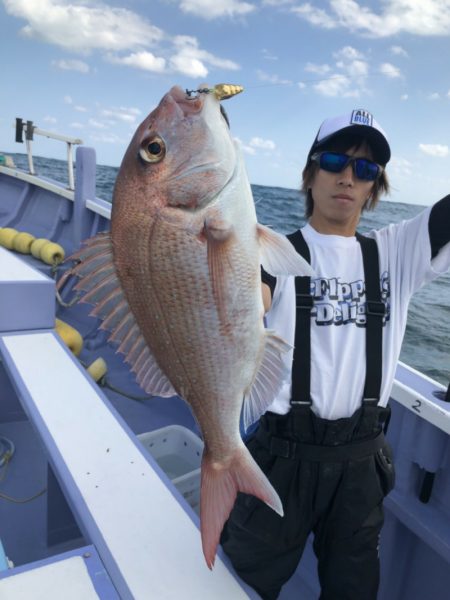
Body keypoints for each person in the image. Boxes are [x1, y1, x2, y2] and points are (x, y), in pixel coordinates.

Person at [221, 108, 450, 599]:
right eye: (333, 161)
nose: (348, 177)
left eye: (365, 169)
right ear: (309, 174)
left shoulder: (397, 251)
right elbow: (245, 298)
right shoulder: (271, 250)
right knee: (238, 585)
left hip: (361, 466)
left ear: (374, 187)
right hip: (279, 458)